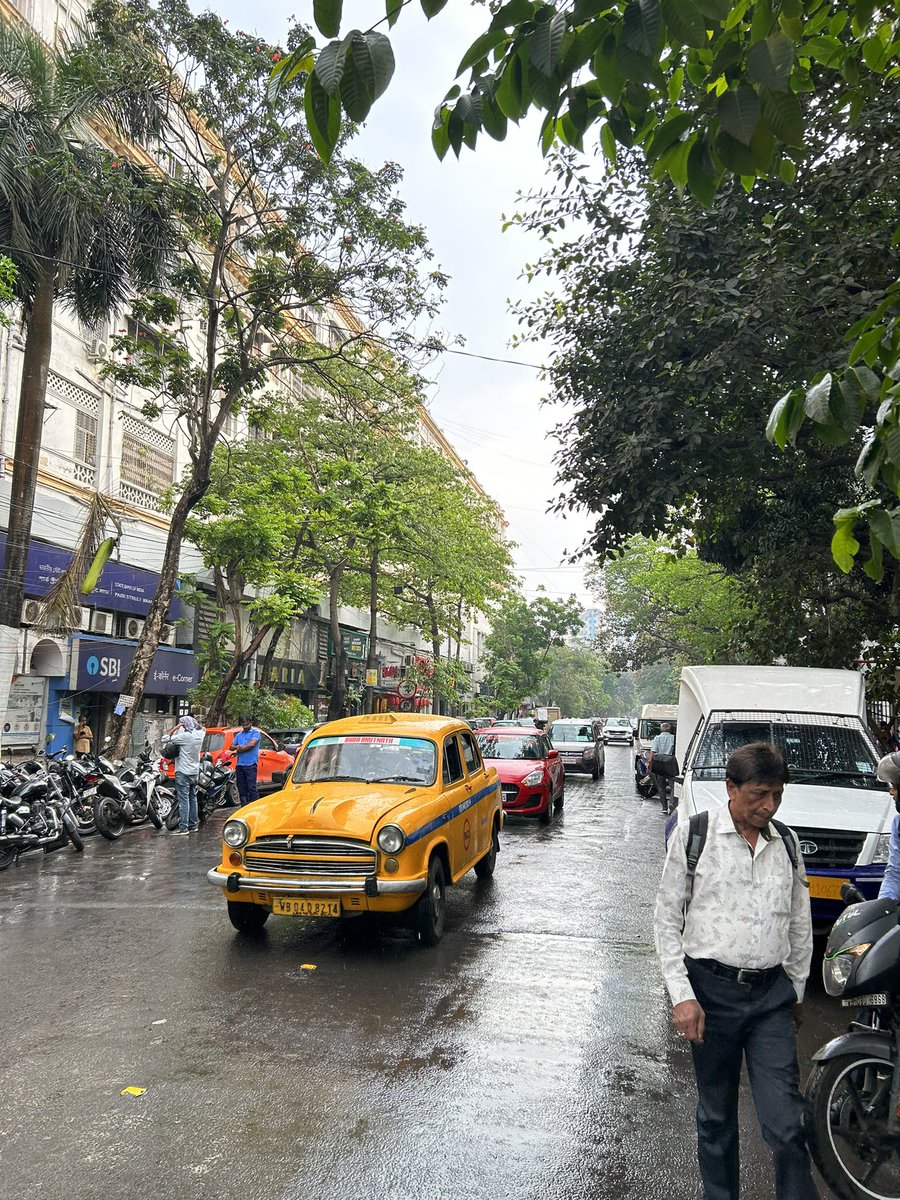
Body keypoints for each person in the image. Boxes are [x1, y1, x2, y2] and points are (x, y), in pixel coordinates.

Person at [654, 742, 816, 1200]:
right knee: (717, 1116)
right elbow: (667, 919)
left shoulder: (785, 842)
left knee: (786, 1123)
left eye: (777, 795)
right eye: (759, 794)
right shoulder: (694, 836)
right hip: (711, 996)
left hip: (770, 1000)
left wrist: (797, 990)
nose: (769, 806)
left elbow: (798, 920)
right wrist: (682, 995)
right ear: (731, 788)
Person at [166, 714, 205, 835]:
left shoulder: (184, 736)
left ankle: (183, 827)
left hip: (183, 772)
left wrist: (176, 727)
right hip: (194, 772)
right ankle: (193, 825)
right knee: (193, 798)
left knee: (184, 800)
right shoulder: (200, 735)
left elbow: (165, 738)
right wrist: (195, 723)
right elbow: (204, 729)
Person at [875, 751, 900, 898]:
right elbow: (895, 872)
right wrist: (883, 905)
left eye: (895, 787)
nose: (891, 792)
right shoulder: (898, 823)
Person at [231, 716, 261, 806]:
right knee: (242, 789)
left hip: (251, 765)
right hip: (240, 765)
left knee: (252, 788)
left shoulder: (255, 733)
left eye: (247, 724)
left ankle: (256, 807)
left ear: (251, 723)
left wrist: (240, 748)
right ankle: (244, 807)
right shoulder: (239, 735)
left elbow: (251, 745)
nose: (245, 727)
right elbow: (231, 746)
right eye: (243, 725)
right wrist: (237, 747)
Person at [648, 721, 676, 814]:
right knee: (673, 785)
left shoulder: (657, 738)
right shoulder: (673, 738)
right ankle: (672, 803)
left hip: (659, 762)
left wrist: (650, 762)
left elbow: (653, 751)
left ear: (661, 729)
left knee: (661, 786)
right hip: (670, 762)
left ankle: (664, 807)